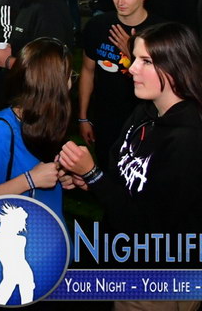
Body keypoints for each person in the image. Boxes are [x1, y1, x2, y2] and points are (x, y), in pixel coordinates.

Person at [60, 22, 202, 269]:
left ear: (175, 67)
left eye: (146, 61)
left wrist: (94, 176)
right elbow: (122, 181)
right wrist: (90, 180)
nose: (132, 68)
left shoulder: (189, 140)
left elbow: (149, 226)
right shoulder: (143, 112)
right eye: (135, 58)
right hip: (118, 246)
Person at [0, 37, 72, 224]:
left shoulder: (48, 122)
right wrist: (30, 180)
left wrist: (61, 177)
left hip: (47, 231)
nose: (70, 84)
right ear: (51, 85)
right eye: (68, 76)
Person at [78, 0, 163, 164]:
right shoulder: (98, 26)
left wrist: (133, 52)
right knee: (105, 168)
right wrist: (83, 117)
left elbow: (165, 82)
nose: (121, 1)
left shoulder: (159, 32)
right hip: (105, 118)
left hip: (144, 121)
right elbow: (87, 71)